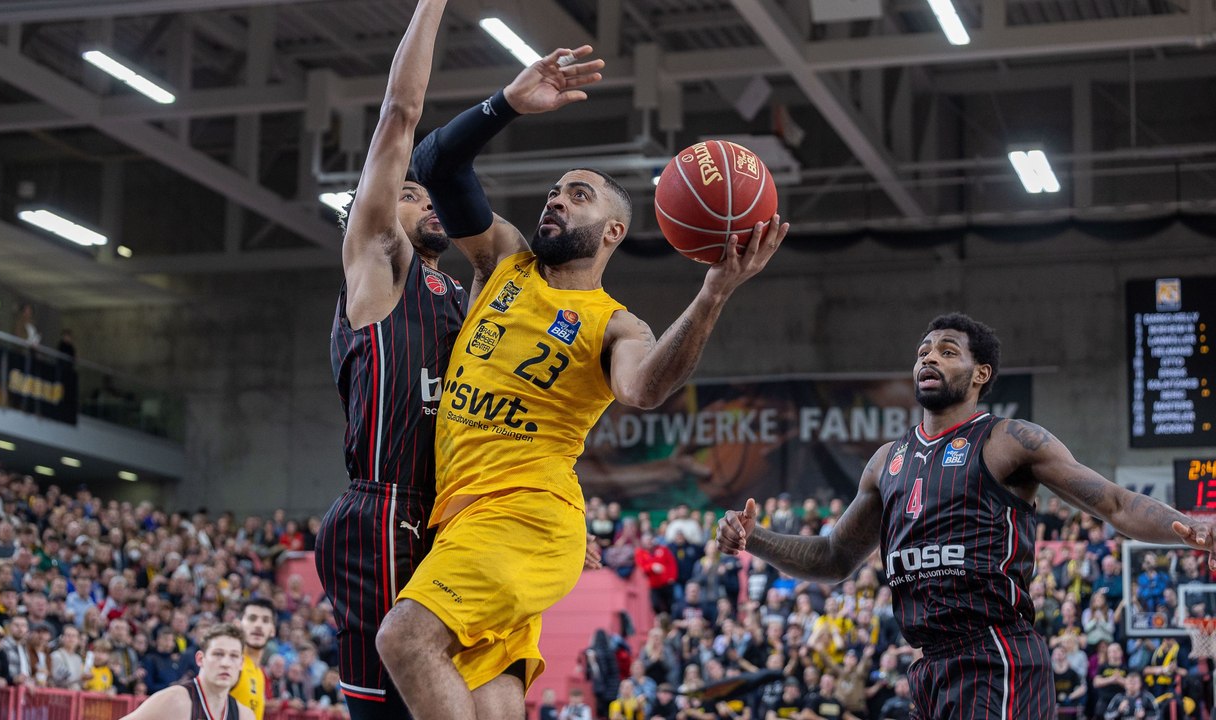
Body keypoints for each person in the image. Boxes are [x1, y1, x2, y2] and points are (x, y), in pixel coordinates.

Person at [376, 32, 786, 720]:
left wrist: (713, 294)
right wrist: (506, 103)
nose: (556, 200)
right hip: (465, 517)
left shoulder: (615, 324)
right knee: (485, 702)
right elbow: (436, 166)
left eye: (578, 194)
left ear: (614, 233)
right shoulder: (504, 260)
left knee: (406, 639)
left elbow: (646, 388)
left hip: (526, 517)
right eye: (554, 190)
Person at [719, 312, 1216, 719]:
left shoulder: (1009, 440)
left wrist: (1193, 527)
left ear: (981, 374)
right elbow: (831, 557)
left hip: (996, 656)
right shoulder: (887, 461)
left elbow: (1114, 503)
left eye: (947, 351)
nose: (929, 357)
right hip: (930, 668)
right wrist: (754, 538)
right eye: (923, 351)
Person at [310, 1, 467, 717]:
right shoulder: (378, 264)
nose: (425, 198)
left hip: (447, 512)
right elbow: (401, 115)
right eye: (408, 193)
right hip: (383, 510)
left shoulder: (455, 291)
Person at [123, 623, 255, 720]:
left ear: (241, 663)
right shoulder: (173, 700)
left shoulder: (245, 715)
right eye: (218, 654)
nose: (225, 663)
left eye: (234, 656)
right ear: (200, 659)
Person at [231, 598, 274, 719]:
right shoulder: (232, 663)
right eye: (252, 618)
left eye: (265, 620)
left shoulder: (260, 673)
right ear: (238, 625)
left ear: (273, 630)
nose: (258, 625)